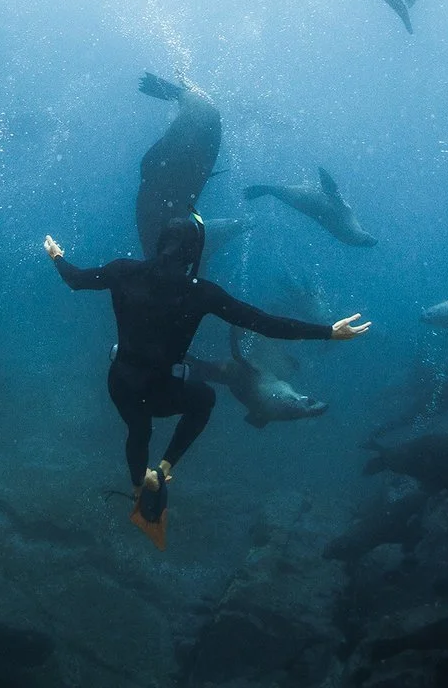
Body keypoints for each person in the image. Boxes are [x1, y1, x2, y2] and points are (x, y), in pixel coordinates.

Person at [43, 213, 370, 546]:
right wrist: (327, 331)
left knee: (138, 428)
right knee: (204, 399)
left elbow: (75, 279)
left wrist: (57, 255)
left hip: (122, 382)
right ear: (193, 251)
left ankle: (140, 483)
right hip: (160, 388)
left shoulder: (123, 270)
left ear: (160, 242)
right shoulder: (200, 292)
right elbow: (263, 323)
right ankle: (164, 468)